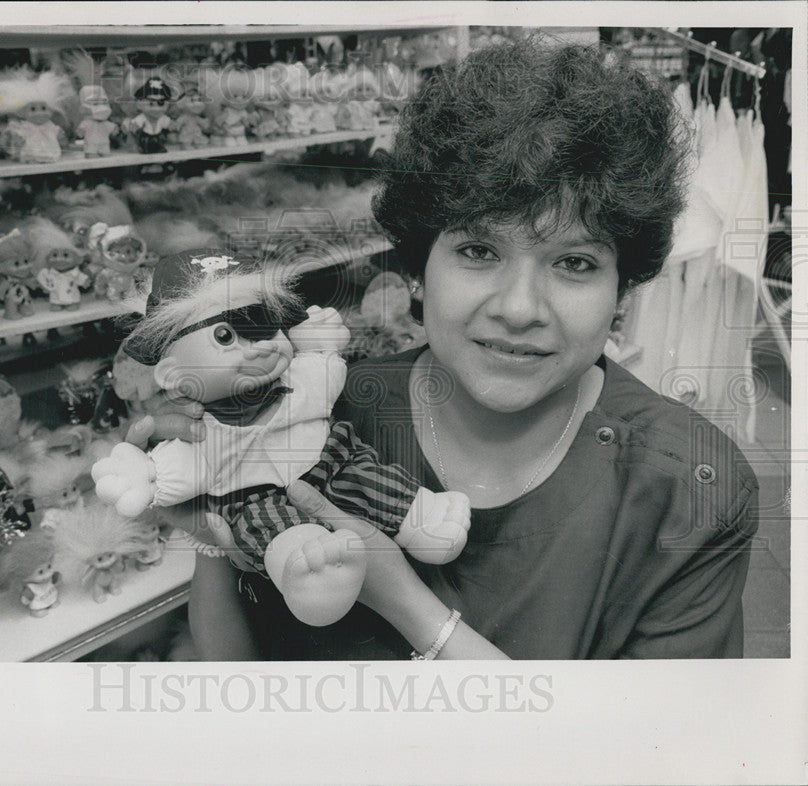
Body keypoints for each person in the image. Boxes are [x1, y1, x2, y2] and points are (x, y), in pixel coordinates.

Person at [132, 40, 759, 660]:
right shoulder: (320, 416)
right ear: (418, 265)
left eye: (574, 262)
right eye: (479, 252)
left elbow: (650, 754)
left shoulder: (688, 488)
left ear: (622, 284)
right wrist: (212, 535)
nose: (519, 308)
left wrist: (405, 602)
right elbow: (235, 672)